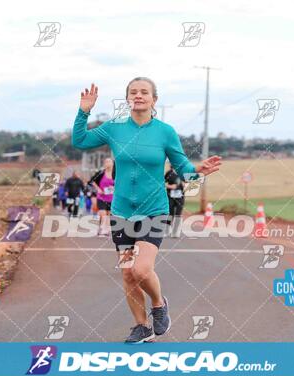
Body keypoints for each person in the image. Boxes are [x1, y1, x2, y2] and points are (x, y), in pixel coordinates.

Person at [72, 78, 221, 343]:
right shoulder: (115, 128)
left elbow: (182, 166)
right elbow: (80, 140)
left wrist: (198, 171)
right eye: (133, 92)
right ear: (128, 98)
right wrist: (84, 111)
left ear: (154, 99)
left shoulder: (165, 132)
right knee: (128, 273)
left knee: (141, 269)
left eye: (144, 92)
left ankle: (158, 304)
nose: (138, 95)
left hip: (153, 210)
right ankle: (142, 327)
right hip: (121, 212)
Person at [90, 158, 115, 236]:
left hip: (112, 198)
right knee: (103, 213)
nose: (107, 163)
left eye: (109, 162)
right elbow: (92, 181)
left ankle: (105, 229)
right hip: (101, 197)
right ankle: (103, 228)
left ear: (112, 164)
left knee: (109, 214)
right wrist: (98, 189)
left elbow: (120, 184)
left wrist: (114, 188)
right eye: (106, 162)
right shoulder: (100, 173)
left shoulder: (116, 174)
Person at [164, 165, 185, 238]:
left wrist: (184, 184)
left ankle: (175, 232)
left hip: (180, 197)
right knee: (170, 212)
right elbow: (163, 183)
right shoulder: (169, 173)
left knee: (178, 214)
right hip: (170, 196)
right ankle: (167, 229)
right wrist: (170, 186)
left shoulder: (182, 173)